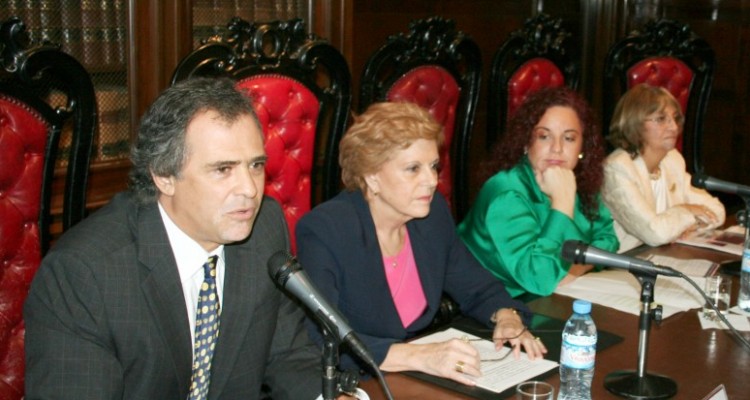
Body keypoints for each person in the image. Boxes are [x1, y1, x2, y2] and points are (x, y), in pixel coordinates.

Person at [24, 77, 323, 399]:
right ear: (164, 176)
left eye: (256, 165)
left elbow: (288, 356)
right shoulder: (84, 273)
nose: (250, 189)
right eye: (223, 169)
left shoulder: (263, 228)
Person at [295, 102, 547, 388]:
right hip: (358, 385)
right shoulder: (326, 230)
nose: (431, 181)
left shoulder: (430, 214)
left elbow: (476, 286)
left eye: (433, 166)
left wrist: (507, 316)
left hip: (418, 381)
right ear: (371, 177)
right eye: (413, 169)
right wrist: (418, 356)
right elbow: (320, 336)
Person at [458, 87, 619, 298]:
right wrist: (562, 204)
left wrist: (575, 269)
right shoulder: (506, 194)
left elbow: (608, 238)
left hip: (556, 298)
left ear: (582, 146)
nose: (557, 148)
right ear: (526, 141)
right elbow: (539, 278)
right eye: (544, 136)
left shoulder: (577, 179)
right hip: (497, 309)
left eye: (569, 138)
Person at [601, 84, 725, 252]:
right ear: (634, 123)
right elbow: (655, 233)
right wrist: (686, 211)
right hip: (623, 263)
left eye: (675, 118)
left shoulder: (672, 160)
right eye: (661, 119)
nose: (674, 127)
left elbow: (717, 211)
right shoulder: (617, 168)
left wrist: (679, 226)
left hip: (664, 256)